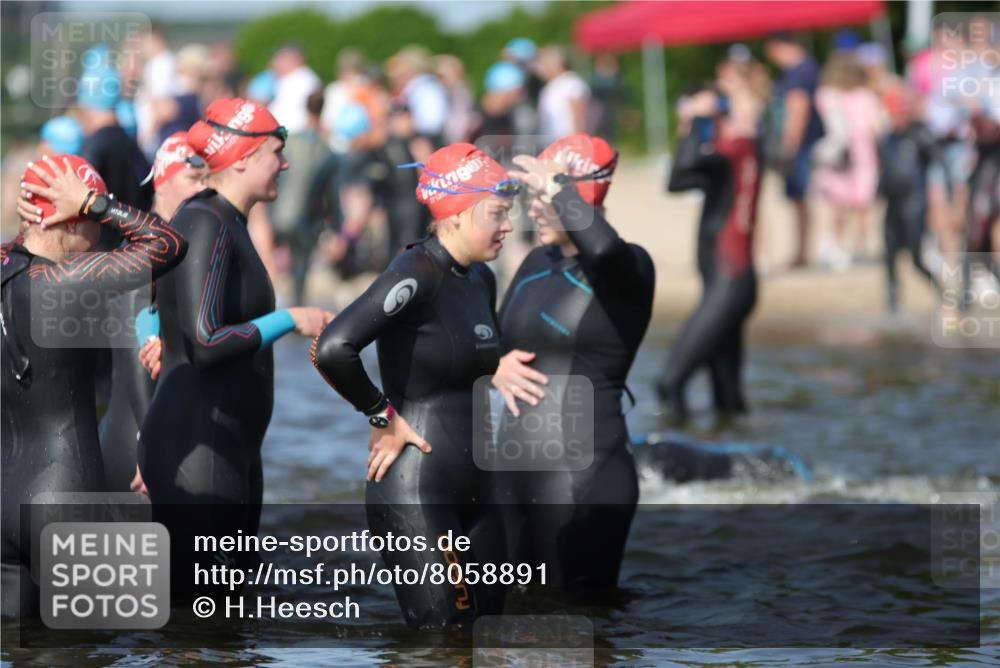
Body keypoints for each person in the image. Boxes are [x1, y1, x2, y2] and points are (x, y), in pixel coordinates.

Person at [311, 143, 515, 628]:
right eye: (497, 214)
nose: (508, 225)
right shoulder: (415, 272)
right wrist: (381, 416)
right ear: (458, 214)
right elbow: (334, 347)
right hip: (419, 491)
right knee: (444, 646)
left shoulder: (480, 278)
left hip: (481, 489)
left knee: (488, 640)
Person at [139, 99, 333, 542]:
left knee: (234, 604)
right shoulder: (205, 222)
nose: (284, 165)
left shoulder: (229, 223)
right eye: (275, 153)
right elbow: (205, 343)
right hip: (199, 446)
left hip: (231, 445)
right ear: (243, 160)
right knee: (204, 606)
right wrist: (290, 319)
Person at [2, 155, 187, 614]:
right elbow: (168, 242)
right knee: (92, 650)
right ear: (67, 218)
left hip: (3, 501)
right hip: (65, 493)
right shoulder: (64, 282)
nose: (100, 237)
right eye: (91, 224)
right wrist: (96, 202)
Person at [492, 133, 655, 590]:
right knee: (507, 621)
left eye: (545, 198)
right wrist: (496, 365)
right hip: (512, 471)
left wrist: (558, 187)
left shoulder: (630, 268)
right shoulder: (534, 264)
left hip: (585, 474)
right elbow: (490, 339)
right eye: (533, 197)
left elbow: (602, 248)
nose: (534, 208)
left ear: (580, 195)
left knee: (581, 629)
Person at [100, 132, 209, 493]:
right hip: (136, 441)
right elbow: (135, 361)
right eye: (195, 178)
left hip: (167, 433)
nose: (205, 188)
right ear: (161, 179)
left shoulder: (189, 245)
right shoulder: (141, 250)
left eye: (209, 178)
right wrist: (152, 451)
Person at [657, 85, 761, 419]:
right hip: (723, 283)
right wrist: (695, 125)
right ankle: (738, 459)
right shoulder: (722, 163)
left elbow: (687, 161)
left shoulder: (740, 149)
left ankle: (678, 462)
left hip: (731, 284)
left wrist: (696, 118)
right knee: (728, 400)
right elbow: (675, 182)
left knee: (669, 382)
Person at [813, 52, 883, 270]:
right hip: (863, 156)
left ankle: (836, 248)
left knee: (837, 207)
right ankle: (859, 248)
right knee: (862, 206)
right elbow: (875, 128)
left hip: (839, 156)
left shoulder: (827, 96)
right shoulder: (866, 96)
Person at [764, 32, 824, 267]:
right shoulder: (806, 67)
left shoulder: (798, 72)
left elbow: (798, 111)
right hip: (805, 142)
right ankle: (802, 251)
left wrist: (790, 147)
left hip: (800, 144)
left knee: (799, 198)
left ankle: (802, 253)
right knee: (799, 200)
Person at [879, 87, 940, 311]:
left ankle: (943, 293)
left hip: (915, 203)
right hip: (892, 204)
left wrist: (937, 205)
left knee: (916, 258)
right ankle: (893, 305)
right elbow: (885, 171)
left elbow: (936, 169)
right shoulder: (887, 138)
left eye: (898, 112)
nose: (894, 117)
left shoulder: (921, 135)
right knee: (888, 255)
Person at [387, 46, 449, 146]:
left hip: (427, 145)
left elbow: (432, 123)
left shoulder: (427, 89)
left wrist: (409, 125)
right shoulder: (417, 88)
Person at [536, 46, 590, 144]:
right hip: (551, 142)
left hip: (567, 142)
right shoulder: (551, 85)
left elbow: (579, 115)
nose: (539, 69)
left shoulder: (572, 83)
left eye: (543, 64)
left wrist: (577, 140)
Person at [268, 44, 321, 135]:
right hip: (285, 134)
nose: (276, 63)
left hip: (297, 134)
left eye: (280, 59)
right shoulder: (286, 79)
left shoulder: (305, 79)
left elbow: (313, 109)